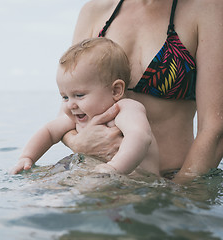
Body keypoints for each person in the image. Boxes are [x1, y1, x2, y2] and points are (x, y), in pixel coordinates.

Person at [61, 0, 223, 181]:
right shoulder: (95, 10)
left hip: (167, 181)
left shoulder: (208, 7)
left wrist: (181, 194)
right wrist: (76, 143)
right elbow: (68, 109)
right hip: (93, 175)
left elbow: (215, 127)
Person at [10, 37, 159, 176]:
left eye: (79, 95)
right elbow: (49, 131)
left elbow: (139, 136)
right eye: (65, 97)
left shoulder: (126, 109)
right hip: (100, 179)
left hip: (138, 182)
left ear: (115, 90)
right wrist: (27, 157)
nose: (70, 104)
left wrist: (114, 167)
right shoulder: (78, 118)